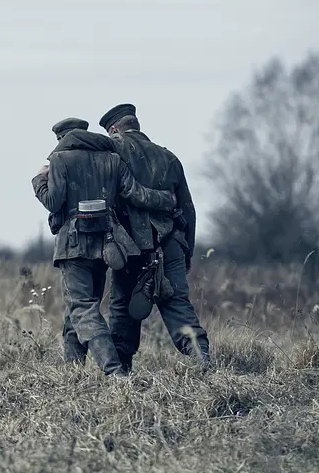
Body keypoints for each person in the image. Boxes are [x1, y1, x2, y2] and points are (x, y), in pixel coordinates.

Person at [32, 117, 177, 375]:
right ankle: (72, 372)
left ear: (61, 139)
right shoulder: (112, 159)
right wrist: (167, 199)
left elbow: (53, 202)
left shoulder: (60, 160)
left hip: (73, 246)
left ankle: (114, 372)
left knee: (82, 308)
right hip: (106, 246)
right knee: (78, 307)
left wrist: (39, 180)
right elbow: (136, 194)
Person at [98, 103, 210, 372]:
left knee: (123, 310)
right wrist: (187, 253)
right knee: (177, 306)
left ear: (113, 130)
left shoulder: (111, 153)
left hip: (130, 250)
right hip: (169, 245)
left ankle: (121, 374)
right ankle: (202, 359)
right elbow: (188, 210)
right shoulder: (169, 157)